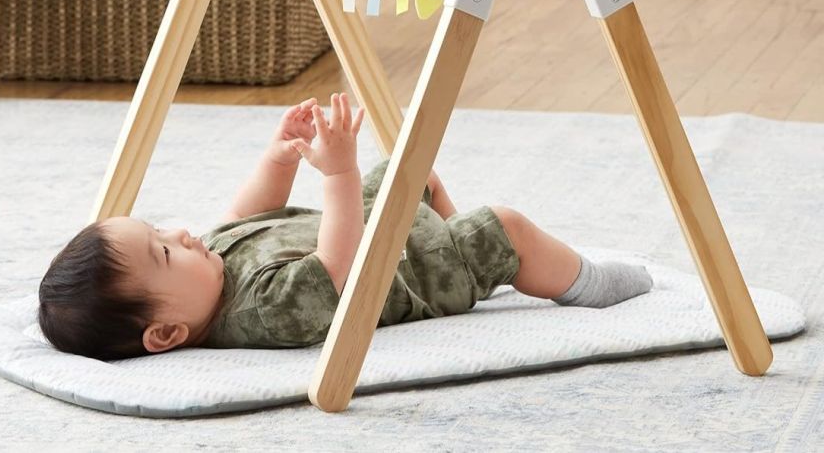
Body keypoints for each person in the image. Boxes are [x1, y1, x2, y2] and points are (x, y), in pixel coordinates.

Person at [38, 93, 653, 360]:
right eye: (164, 254)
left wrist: (278, 157)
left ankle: (470, 258)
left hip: (384, 233)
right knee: (506, 228)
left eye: (159, 230)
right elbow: (340, 268)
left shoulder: (209, 264)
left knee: (412, 171)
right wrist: (338, 172)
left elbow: (246, 214)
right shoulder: (264, 312)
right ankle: (581, 282)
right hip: (414, 275)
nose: (178, 235)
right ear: (169, 333)